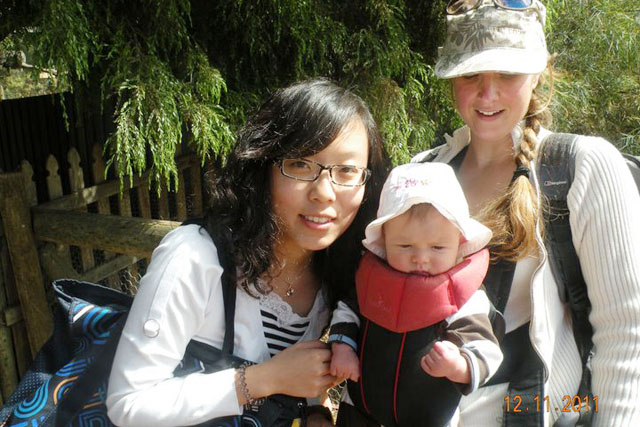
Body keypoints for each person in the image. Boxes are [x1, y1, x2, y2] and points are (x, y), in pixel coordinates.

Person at [105, 78, 389, 426]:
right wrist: (264, 379)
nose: (324, 192)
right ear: (262, 167)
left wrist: (314, 411)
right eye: (300, 164)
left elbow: (296, 376)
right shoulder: (195, 258)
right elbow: (128, 404)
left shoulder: (334, 268)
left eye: (346, 170)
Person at [411, 0, 640, 425]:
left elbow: (626, 332)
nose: (488, 94)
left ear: (539, 72)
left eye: (508, 73)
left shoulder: (580, 167)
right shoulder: (423, 172)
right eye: (471, 74)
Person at [328, 162, 503, 426]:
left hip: (428, 416)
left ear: (459, 244)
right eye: (405, 245)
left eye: (437, 247)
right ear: (384, 242)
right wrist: (342, 347)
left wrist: (459, 365)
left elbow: (487, 350)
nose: (420, 258)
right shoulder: (372, 279)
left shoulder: (465, 297)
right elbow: (347, 311)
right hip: (359, 407)